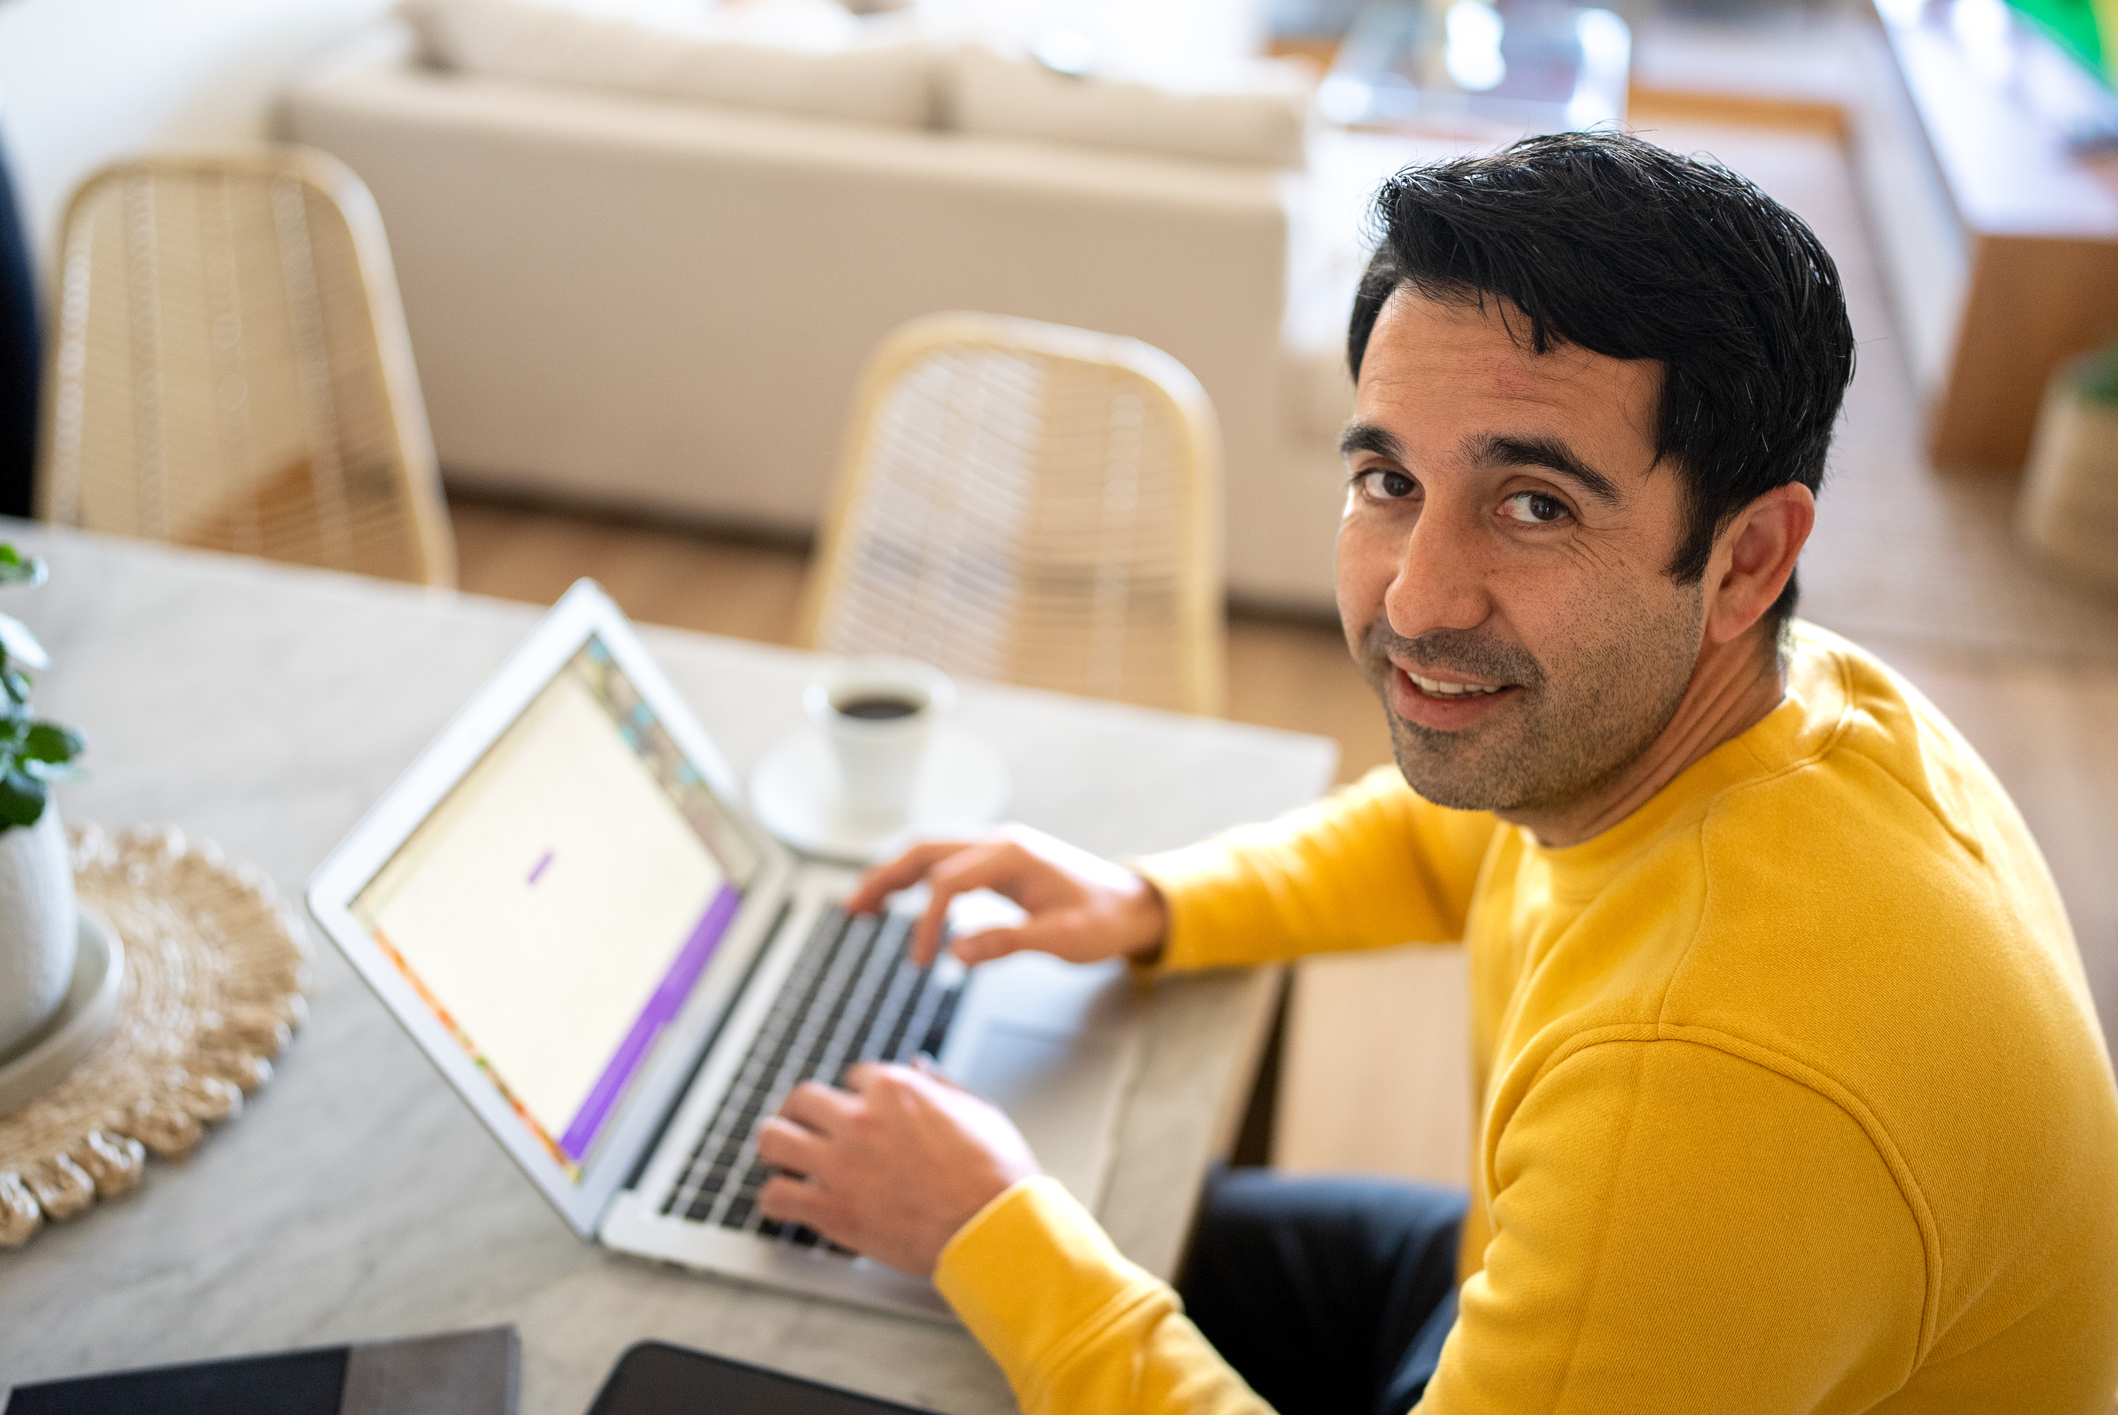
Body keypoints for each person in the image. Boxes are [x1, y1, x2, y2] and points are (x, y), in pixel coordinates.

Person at [754, 131, 2118, 1413]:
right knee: (1099, 1213)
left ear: (1745, 554)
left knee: (966, 1284)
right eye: (1386, 480)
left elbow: (1660, 1148)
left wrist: (994, 1230)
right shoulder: (1757, 700)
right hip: (1545, 1291)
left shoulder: (1707, 1091)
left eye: (1534, 505)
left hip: (1639, 1274)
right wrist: (1154, 902)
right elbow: (1449, 835)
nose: (1415, 600)